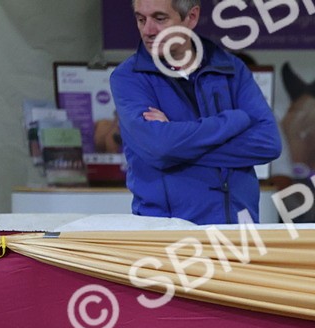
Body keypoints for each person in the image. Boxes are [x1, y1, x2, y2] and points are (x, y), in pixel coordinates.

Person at [110, 0, 282, 225]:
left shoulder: (232, 69)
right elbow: (159, 148)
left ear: (191, 17)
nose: (148, 30)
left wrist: (177, 140)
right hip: (167, 236)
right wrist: (233, 120)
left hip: (238, 230)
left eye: (159, 19)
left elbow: (268, 143)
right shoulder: (128, 78)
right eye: (141, 19)